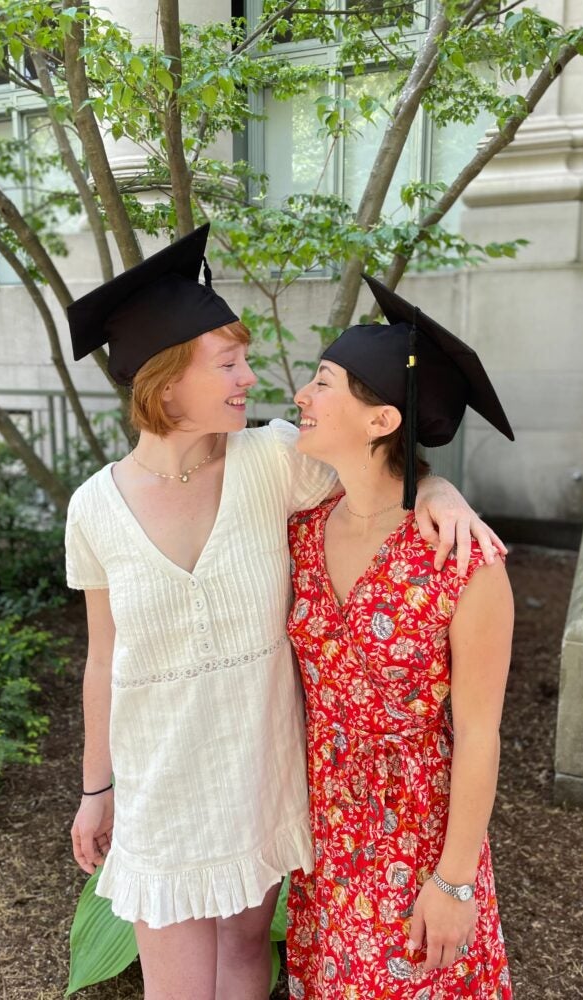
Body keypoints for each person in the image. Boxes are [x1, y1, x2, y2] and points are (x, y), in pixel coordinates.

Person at [64, 226, 508, 1000]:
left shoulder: (270, 463)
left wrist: (439, 490)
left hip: (270, 780)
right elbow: (103, 657)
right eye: (229, 363)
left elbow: (381, 463)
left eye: (247, 360)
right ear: (167, 385)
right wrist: (95, 787)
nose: (257, 378)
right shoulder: (98, 510)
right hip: (172, 787)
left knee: (250, 962)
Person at [285, 275, 515, 999]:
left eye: (323, 384)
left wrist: (453, 882)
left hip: (417, 840)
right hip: (322, 832)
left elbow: (480, 735)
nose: (301, 396)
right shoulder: (299, 532)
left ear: (382, 419)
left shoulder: (464, 562)